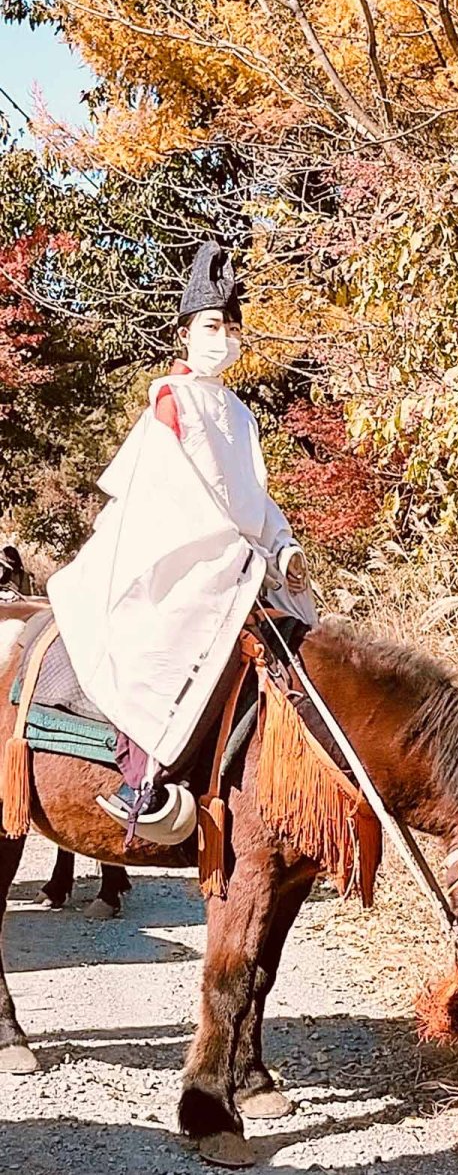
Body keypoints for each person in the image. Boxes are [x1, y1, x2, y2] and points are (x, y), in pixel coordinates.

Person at [47, 241, 315, 843]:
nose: (225, 338)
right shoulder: (172, 400)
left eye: (232, 328)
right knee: (167, 640)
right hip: (171, 546)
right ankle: (144, 780)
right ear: (187, 335)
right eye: (213, 326)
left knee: (302, 629)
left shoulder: (240, 415)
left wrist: (282, 544)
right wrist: (233, 550)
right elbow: (173, 490)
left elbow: (254, 494)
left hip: (240, 556)